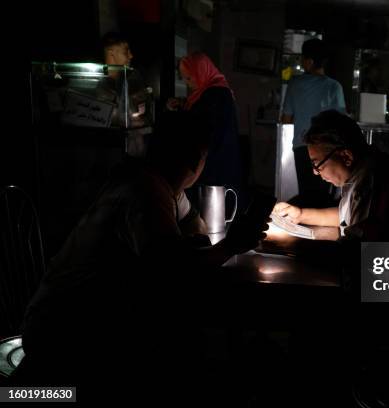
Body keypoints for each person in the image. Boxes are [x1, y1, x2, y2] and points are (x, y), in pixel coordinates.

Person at [18, 113, 268, 401]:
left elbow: (195, 229)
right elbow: (171, 271)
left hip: (79, 320)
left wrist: (199, 244)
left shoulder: (161, 184)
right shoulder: (144, 192)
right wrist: (229, 246)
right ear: (197, 160)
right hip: (61, 334)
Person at [273, 110, 389, 241]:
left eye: (318, 164)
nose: (315, 172)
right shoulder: (363, 170)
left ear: (346, 157)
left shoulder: (373, 179)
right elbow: (345, 216)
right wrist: (300, 215)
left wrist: (293, 246)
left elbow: (356, 246)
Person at [166, 53, 244, 210]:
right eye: (185, 79)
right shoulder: (215, 90)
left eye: (189, 78)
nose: (188, 83)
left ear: (201, 72)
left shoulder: (214, 94)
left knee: (211, 209)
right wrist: (183, 104)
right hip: (217, 159)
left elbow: (200, 124)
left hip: (213, 162)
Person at [281, 39, 346, 208]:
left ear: (309, 62)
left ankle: (304, 228)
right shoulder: (335, 87)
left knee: (306, 192)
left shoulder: (295, 84)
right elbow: (341, 120)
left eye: (303, 59)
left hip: (302, 147)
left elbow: (286, 119)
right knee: (324, 194)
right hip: (326, 149)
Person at [97, 31, 150, 129]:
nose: (131, 56)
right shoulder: (98, 83)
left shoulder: (130, 78)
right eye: (126, 52)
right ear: (111, 53)